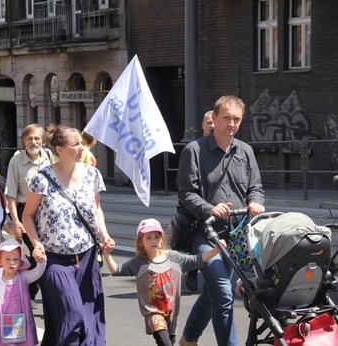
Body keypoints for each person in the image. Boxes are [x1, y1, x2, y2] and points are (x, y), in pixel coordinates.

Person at [177, 95, 265, 346]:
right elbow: (185, 193)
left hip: (235, 234)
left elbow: (256, 187)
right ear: (213, 119)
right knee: (224, 294)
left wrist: (255, 201)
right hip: (204, 234)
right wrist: (209, 208)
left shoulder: (246, 151)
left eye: (236, 119)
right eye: (226, 118)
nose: (231, 123)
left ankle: (188, 338)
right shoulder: (194, 151)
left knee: (213, 292)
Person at [23, 124, 115, 346]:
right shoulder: (41, 178)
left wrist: (104, 235)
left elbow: (96, 208)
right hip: (55, 260)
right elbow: (28, 215)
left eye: (81, 144)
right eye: (75, 145)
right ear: (59, 149)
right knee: (72, 316)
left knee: (91, 321)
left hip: (87, 256)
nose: (81, 148)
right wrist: (36, 244)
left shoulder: (92, 174)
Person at [104, 218, 223, 346]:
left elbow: (195, 260)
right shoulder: (140, 262)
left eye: (156, 237)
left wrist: (214, 251)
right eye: (148, 238)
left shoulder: (173, 257)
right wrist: (106, 254)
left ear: (162, 239)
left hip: (171, 312)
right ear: (140, 242)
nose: (153, 241)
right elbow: (117, 270)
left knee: (169, 342)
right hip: (153, 313)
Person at [5, 124, 53, 308]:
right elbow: (11, 195)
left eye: (37, 138)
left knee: (47, 254)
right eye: (30, 139)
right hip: (27, 214)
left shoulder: (48, 157)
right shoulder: (16, 162)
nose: (33, 142)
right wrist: (16, 222)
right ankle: (31, 292)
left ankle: (35, 292)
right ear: (23, 141)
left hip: (48, 214)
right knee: (36, 253)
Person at [0, 239, 46, 346]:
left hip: (20, 319)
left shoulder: (23, 277)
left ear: (21, 262)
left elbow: (37, 273)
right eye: (7, 259)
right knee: (3, 341)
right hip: (1, 320)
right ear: (0, 261)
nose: (12, 262)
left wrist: (41, 262)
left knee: (21, 341)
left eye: (16, 259)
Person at [185, 109, 216, 292]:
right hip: (197, 209)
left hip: (217, 211)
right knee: (192, 239)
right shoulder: (194, 149)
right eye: (208, 122)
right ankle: (192, 270)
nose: (212, 125)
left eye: (214, 122)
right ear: (203, 126)